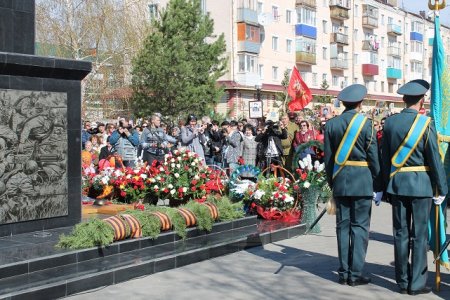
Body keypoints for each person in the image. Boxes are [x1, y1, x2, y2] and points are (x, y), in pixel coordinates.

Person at [381, 79, 448, 295]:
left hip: (397, 185)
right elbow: (434, 159)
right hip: (421, 187)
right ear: (422, 101)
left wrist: (383, 187)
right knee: (419, 235)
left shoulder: (390, 123)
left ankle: (401, 281)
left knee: (400, 234)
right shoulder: (425, 124)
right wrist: (442, 188)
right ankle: (416, 284)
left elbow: (385, 159)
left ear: (403, 100)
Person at [323, 84, 382, 287]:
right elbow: (373, 157)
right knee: (360, 228)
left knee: (342, 227)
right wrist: (378, 181)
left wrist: (333, 182)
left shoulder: (331, 125)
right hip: (362, 182)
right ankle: (355, 274)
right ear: (360, 102)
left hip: (340, 181)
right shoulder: (366, 125)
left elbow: (329, 159)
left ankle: (343, 272)